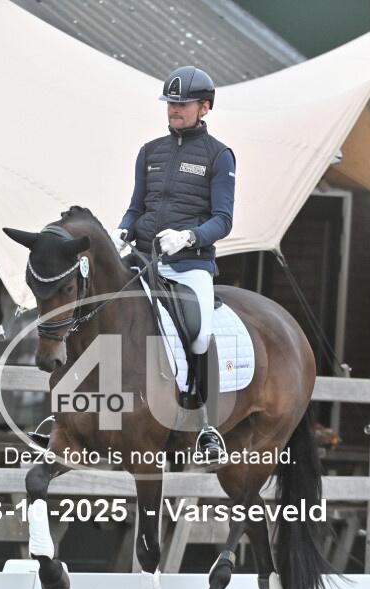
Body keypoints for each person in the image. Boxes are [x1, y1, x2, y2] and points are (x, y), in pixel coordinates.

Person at [110, 66, 236, 462]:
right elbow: (136, 206)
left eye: (183, 104)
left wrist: (189, 237)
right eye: (170, 103)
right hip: (143, 259)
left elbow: (223, 220)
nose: (174, 109)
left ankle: (207, 426)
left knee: (199, 334)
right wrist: (125, 227)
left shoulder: (219, 156)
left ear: (205, 107)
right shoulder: (150, 152)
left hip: (189, 265)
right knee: (102, 308)